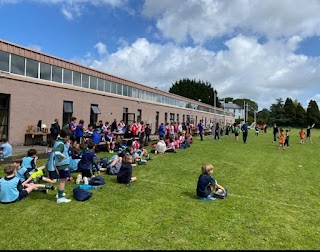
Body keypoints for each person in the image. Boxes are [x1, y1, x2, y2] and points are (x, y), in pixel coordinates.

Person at [54, 128, 73, 203]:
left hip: (60, 164)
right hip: (63, 165)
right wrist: (63, 157)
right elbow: (57, 152)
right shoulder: (61, 144)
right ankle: (60, 198)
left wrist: (67, 146)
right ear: (67, 136)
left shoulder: (58, 142)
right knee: (63, 180)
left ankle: (59, 194)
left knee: (63, 180)